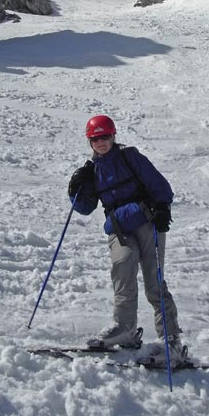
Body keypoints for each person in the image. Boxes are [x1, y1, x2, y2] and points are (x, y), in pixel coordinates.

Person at [68, 114, 183, 359]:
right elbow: (84, 207)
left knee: (154, 279)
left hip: (146, 221)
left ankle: (171, 340)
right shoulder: (93, 171)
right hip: (119, 227)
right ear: (90, 141)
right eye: (95, 138)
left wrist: (163, 208)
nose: (101, 142)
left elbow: (160, 185)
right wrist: (75, 187)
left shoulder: (130, 157)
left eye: (105, 137)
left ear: (113, 136)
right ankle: (125, 328)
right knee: (122, 266)